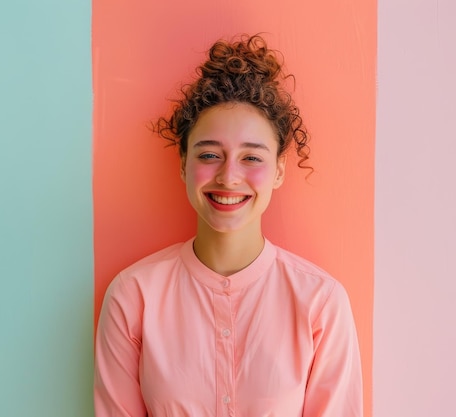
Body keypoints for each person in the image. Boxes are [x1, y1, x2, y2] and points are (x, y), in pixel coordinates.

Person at [94, 34, 363, 417]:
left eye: (251, 157)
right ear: (184, 163)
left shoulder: (321, 302)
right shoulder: (133, 295)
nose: (229, 176)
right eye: (209, 154)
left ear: (278, 171)